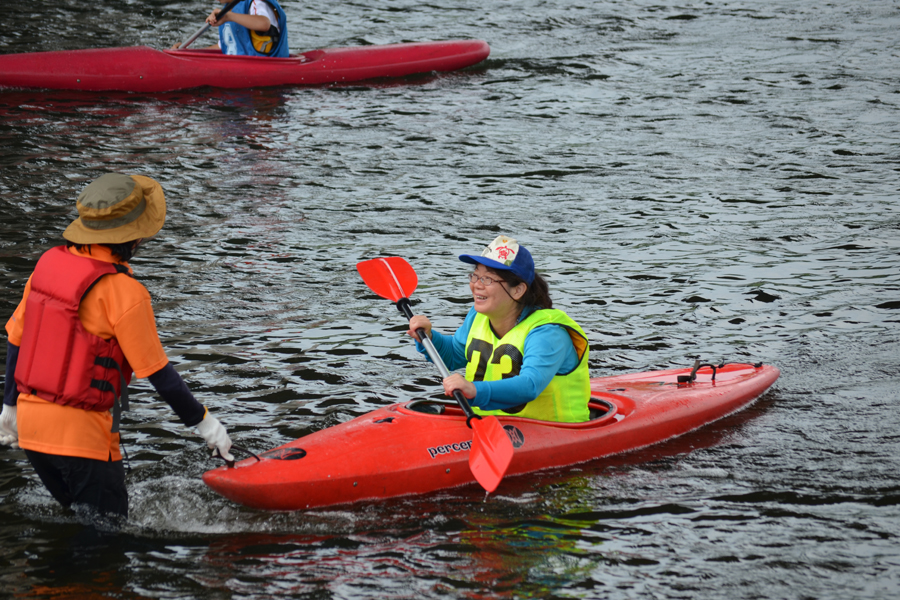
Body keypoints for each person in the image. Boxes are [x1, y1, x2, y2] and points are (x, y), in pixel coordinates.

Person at [0, 173, 234, 520]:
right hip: (82, 439)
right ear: (135, 237)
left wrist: (9, 408)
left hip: (31, 431)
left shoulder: (46, 265)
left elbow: (17, 339)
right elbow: (158, 372)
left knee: (76, 522)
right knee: (105, 537)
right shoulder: (125, 292)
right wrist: (206, 425)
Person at [406, 235, 592, 423]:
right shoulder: (478, 316)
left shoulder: (548, 332)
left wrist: (474, 390)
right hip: (490, 425)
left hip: (557, 431)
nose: (476, 285)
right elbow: (454, 355)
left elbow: (530, 385)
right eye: (476, 275)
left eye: (487, 279)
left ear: (518, 290)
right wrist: (428, 337)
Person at [172, 0, 289, 57]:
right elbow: (224, 46)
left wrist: (228, 16)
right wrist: (186, 53)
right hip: (237, 68)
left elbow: (264, 24)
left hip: (263, 67)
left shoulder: (256, 2)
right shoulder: (228, 7)